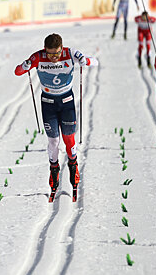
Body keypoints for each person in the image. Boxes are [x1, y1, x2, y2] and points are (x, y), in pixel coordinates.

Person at [14, 33, 98, 201]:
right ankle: (54, 170)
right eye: (50, 54)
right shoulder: (38, 57)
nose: (54, 58)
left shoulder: (70, 53)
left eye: (57, 53)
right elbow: (17, 72)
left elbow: (95, 61)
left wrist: (85, 61)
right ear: (45, 50)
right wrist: (25, 65)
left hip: (66, 102)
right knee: (53, 141)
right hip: (48, 103)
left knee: (69, 139)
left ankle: (73, 167)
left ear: (62, 48)